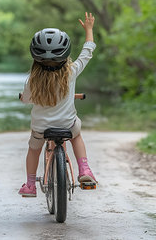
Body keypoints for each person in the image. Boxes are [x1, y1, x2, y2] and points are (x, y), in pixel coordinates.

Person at [18, 12, 97, 197]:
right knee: (76, 135)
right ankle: (84, 170)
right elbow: (87, 52)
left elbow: (27, 99)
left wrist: (24, 98)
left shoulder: (32, 80)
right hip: (66, 125)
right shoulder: (72, 72)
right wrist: (89, 30)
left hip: (40, 128)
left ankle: (30, 184)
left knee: (34, 149)